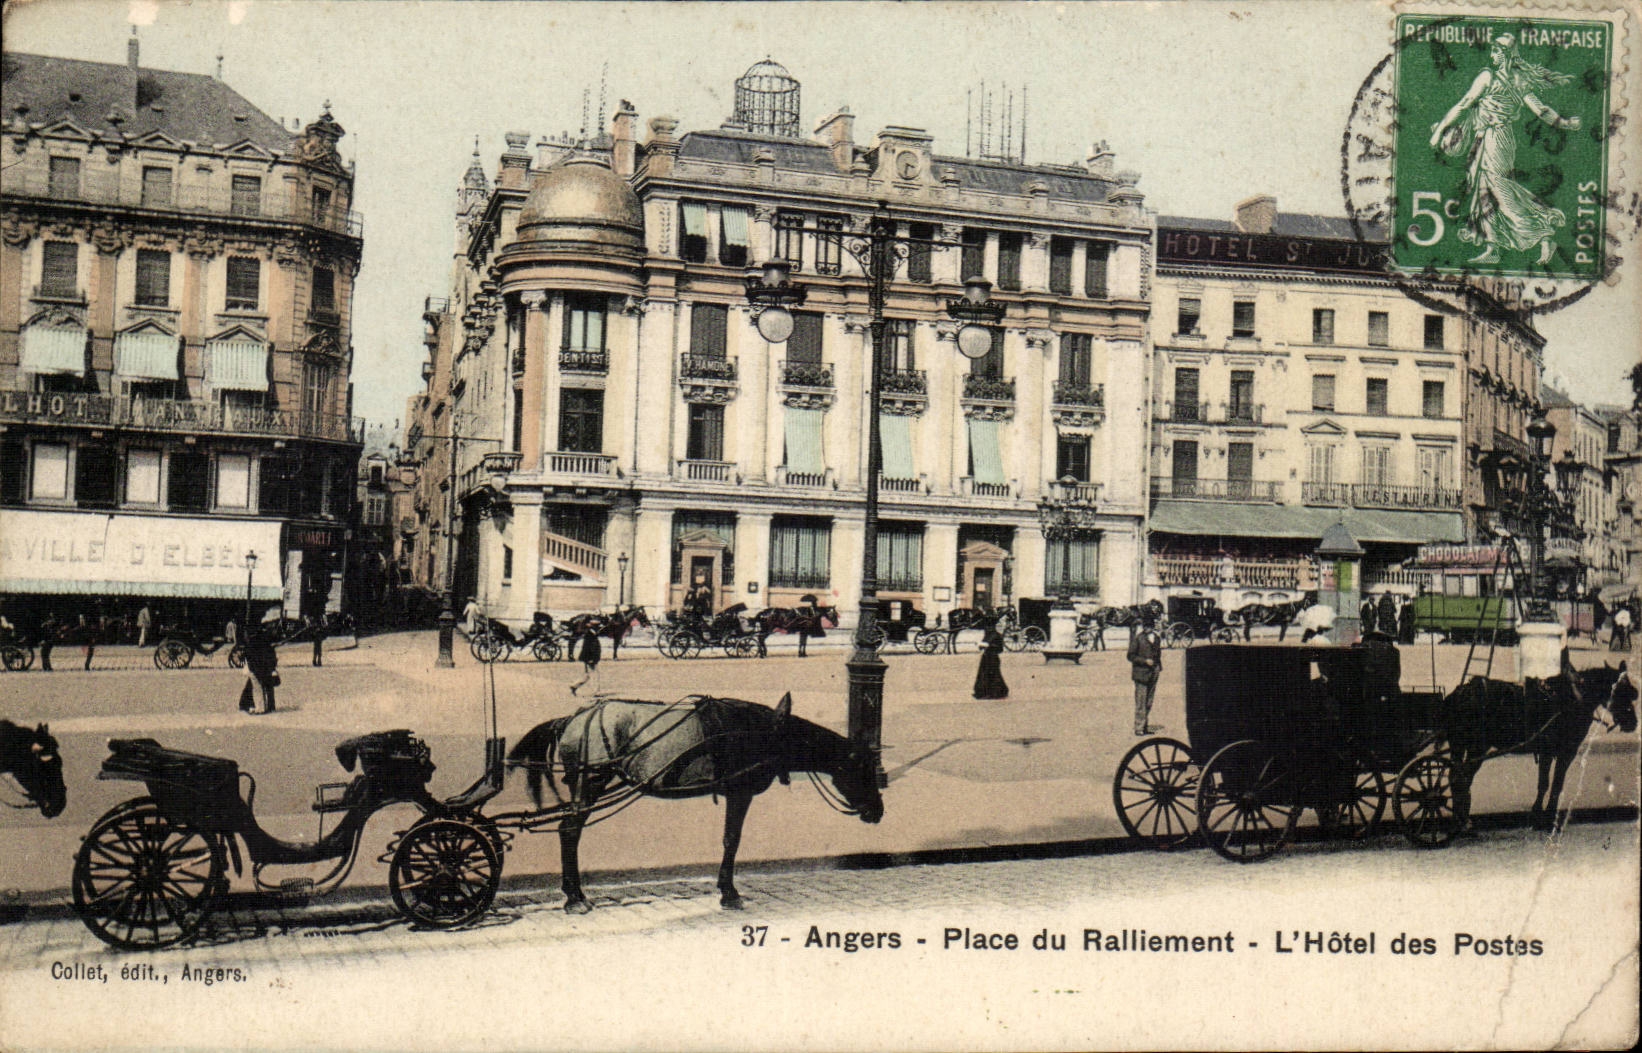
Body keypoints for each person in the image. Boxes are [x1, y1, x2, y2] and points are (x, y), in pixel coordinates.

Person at [1428, 33, 1583, 266]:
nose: (1492, 56)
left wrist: (1439, 131)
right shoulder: (1518, 80)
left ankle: (1543, 235)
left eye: (1496, 51)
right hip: (1491, 137)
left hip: (1495, 138)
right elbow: (1541, 111)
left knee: (1500, 190)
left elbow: (1464, 104)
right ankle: (1493, 247)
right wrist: (1565, 123)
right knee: (1485, 190)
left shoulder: (1489, 77)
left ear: (1506, 54)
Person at [1127, 620, 1163, 734]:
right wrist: (1144, 661)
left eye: (1149, 626)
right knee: (1141, 701)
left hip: (1154, 671)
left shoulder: (1157, 638)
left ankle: (1144, 725)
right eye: (1145, 626)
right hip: (1141, 673)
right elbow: (1130, 655)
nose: (1147, 628)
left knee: (1149, 701)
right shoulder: (1138, 639)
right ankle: (1139, 727)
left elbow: (1158, 653)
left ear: (1153, 627)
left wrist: (1158, 666)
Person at [239, 628, 278, 715]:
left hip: (257, 668)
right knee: (264, 687)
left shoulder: (252, 643)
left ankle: (258, 707)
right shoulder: (263, 642)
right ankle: (269, 706)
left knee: (257, 688)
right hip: (264, 668)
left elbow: (248, 656)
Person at [972, 622, 1008, 700]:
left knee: (993, 675)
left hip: (993, 657)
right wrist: (980, 645)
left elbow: (1000, 649)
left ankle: (993, 692)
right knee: (984, 674)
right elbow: (982, 646)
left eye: (989, 627)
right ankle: (983, 692)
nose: (987, 629)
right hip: (986, 657)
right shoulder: (988, 635)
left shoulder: (997, 635)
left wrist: (989, 646)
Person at [569, 625, 602, 697]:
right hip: (590, 659)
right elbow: (587, 648)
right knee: (595, 675)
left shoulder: (591, 634)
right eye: (598, 627)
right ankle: (596, 692)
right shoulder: (590, 635)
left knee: (587, 676)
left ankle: (574, 686)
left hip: (591, 659)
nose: (599, 629)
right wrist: (590, 659)